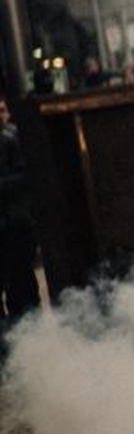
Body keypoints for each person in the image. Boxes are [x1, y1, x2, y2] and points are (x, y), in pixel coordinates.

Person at [0, 97, 43, 331]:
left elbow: (28, 175)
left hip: (15, 223)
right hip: (13, 222)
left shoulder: (13, 137)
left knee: (21, 286)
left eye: (2, 110)